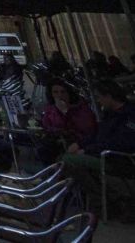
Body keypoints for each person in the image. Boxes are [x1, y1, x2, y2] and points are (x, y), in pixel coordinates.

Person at [62, 79, 135, 219]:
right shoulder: (110, 114)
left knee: (69, 161)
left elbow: (119, 143)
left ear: (108, 96)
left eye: (99, 97)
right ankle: (103, 200)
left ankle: (102, 201)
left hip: (117, 159)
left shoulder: (129, 115)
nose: (98, 100)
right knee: (71, 162)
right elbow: (96, 133)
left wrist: (87, 150)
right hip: (102, 154)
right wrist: (80, 144)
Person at [39, 80, 96, 163]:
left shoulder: (81, 109)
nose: (59, 95)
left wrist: (65, 113)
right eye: (55, 92)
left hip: (78, 141)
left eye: (63, 92)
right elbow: (46, 124)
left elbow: (85, 130)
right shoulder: (51, 109)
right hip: (56, 139)